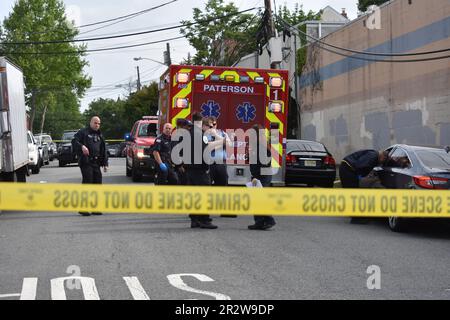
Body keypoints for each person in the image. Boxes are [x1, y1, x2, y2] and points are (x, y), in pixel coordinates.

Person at [185, 113, 224, 229]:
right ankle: (205, 220)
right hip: (200, 170)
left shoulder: (188, 133)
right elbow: (204, 151)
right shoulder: (201, 135)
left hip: (190, 169)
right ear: (200, 121)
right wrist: (207, 167)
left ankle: (194, 220)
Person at [72, 116, 109, 216]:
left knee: (97, 183)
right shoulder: (83, 132)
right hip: (86, 162)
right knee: (88, 182)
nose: (97, 125)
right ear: (91, 123)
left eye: (99, 123)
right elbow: (74, 141)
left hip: (96, 163)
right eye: (95, 123)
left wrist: (105, 163)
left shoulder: (99, 134)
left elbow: (103, 149)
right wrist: (82, 146)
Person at [340, 149, 388, 224]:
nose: (382, 163)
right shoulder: (373, 155)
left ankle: (352, 213)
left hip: (347, 167)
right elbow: (361, 165)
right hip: (348, 169)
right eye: (384, 160)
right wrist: (364, 176)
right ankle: (356, 219)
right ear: (382, 156)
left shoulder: (374, 155)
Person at [248, 124, 276, 230]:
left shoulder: (261, 146)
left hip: (262, 176)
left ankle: (269, 220)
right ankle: (259, 222)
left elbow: (264, 163)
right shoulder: (257, 145)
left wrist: (256, 177)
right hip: (259, 175)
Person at [206, 116, 235, 218]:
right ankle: (203, 212)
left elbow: (229, 144)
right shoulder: (204, 134)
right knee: (206, 187)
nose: (212, 126)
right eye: (210, 124)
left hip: (221, 164)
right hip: (208, 164)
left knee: (223, 187)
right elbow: (207, 146)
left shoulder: (222, 133)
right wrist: (221, 142)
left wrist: (217, 137)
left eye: (214, 124)